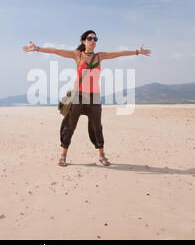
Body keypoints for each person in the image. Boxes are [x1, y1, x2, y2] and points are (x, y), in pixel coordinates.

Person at [22, 30, 151, 167]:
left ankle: (101, 156)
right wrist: (37, 49)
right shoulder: (77, 55)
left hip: (94, 97)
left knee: (97, 127)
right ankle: (63, 155)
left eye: (95, 38)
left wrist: (137, 52)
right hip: (78, 96)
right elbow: (56, 51)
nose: (93, 41)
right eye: (90, 38)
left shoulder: (99, 56)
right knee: (70, 125)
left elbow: (119, 54)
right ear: (84, 41)